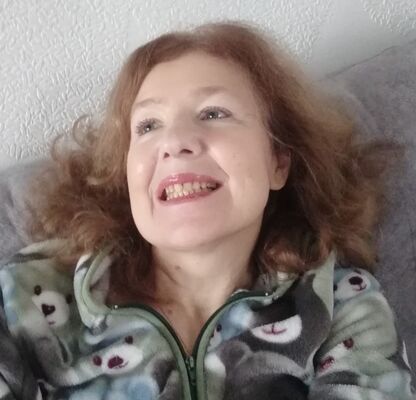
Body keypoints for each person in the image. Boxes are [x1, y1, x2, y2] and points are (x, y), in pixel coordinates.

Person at [0, 20, 414, 400]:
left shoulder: (342, 304)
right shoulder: (22, 296)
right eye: (148, 126)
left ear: (278, 162)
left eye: (214, 113)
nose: (174, 141)